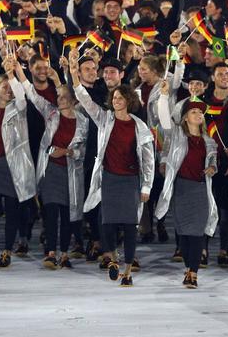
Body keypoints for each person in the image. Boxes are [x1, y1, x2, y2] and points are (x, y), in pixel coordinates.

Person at [69, 48, 155, 287]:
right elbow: (84, 98)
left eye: (120, 98)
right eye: (114, 98)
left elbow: (148, 160)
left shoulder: (140, 127)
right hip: (108, 178)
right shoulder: (104, 118)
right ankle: (112, 259)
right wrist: (73, 71)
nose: (116, 101)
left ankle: (128, 270)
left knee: (129, 225)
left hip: (130, 180)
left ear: (128, 100)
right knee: (106, 221)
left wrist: (146, 186)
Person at [13, 63, 88, 270]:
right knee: (51, 211)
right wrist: (19, 71)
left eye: (64, 97)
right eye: (59, 96)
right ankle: (51, 252)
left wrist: (67, 152)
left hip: (71, 173)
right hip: (50, 170)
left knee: (66, 214)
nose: (59, 99)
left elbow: (83, 152)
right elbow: (31, 92)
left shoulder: (83, 122)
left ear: (73, 100)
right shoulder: (51, 113)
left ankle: (64, 253)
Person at [0, 60, 37, 269]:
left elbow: (23, 95)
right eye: (4, 86)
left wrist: (12, 74)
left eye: (10, 87)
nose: (8, 90)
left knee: (12, 210)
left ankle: (6, 252)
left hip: (14, 166)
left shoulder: (19, 108)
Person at [155, 98, 218, 288]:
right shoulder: (176, 135)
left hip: (199, 190)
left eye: (200, 113)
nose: (198, 115)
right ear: (185, 118)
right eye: (193, 112)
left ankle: (193, 272)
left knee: (198, 232)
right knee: (184, 233)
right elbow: (164, 118)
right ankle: (188, 267)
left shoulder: (209, 140)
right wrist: (164, 96)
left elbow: (214, 161)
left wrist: (212, 168)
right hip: (181, 189)